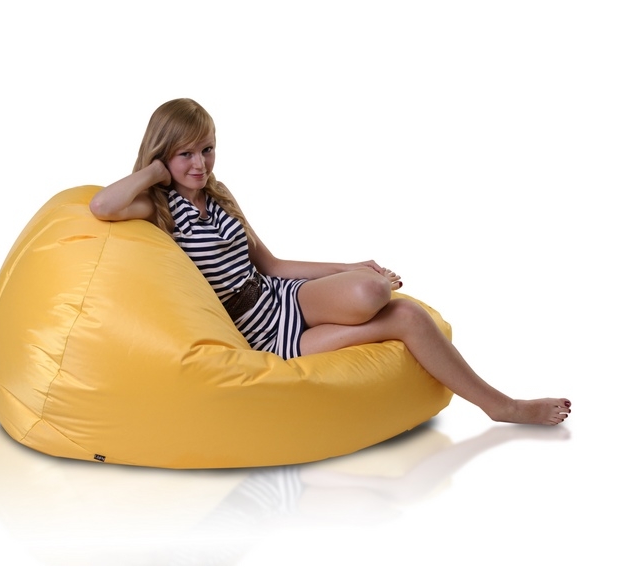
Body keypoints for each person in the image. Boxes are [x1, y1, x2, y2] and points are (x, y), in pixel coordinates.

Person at [89, 98, 570, 426]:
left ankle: (499, 404)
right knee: (399, 311)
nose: (200, 164)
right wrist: (153, 171)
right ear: (163, 156)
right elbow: (102, 206)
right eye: (185, 154)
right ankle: (504, 407)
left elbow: (271, 264)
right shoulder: (157, 207)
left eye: (208, 149)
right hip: (262, 335)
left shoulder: (219, 195)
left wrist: (349, 266)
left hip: (281, 296)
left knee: (374, 290)